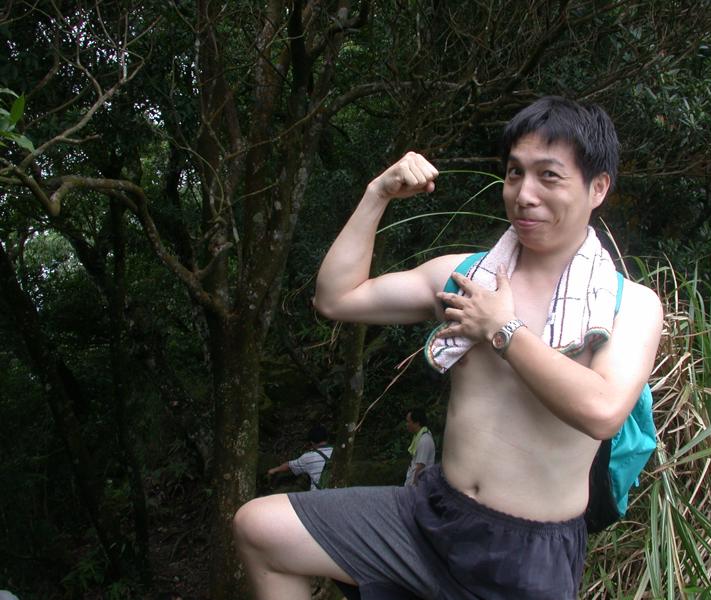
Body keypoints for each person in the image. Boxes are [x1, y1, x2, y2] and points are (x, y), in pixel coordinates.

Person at [234, 96, 663, 599]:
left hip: (528, 554)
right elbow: (336, 297)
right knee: (260, 528)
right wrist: (377, 194)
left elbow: (603, 411)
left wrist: (503, 330)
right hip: (430, 515)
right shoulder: (466, 277)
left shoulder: (628, 305)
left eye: (549, 176)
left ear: (598, 188)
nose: (524, 194)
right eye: (515, 173)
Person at [266, 425, 333, 491]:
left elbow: (289, 466)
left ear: (312, 442)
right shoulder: (337, 452)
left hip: (317, 495)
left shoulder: (308, 457)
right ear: (327, 438)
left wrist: (274, 470)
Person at [404, 408, 435, 486]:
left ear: (417, 423)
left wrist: (415, 487)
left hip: (419, 487)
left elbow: (420, 467)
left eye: (408, 421)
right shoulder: (418, 437)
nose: (406, 424)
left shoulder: (424, 440)